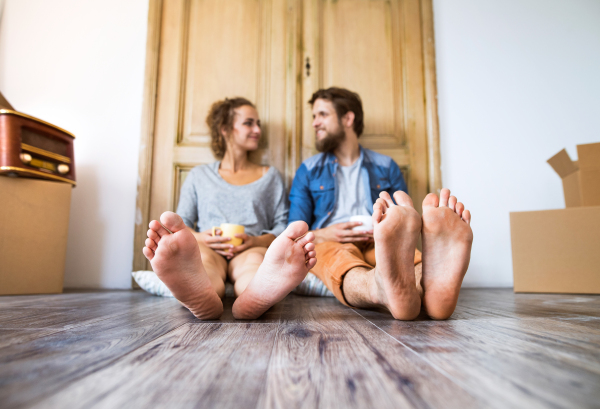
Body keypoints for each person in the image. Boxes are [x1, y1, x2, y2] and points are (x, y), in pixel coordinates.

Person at [289, 87, 473, 320]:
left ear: (348, 118)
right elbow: (293, 233)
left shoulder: (386, 166)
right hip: (330, 241)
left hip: (380, 240)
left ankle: (430, 285)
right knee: (339, 259)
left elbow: (404, 220)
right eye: (314, 116)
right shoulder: (308, 170)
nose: (315, 123)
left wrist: (385, 229)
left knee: (407, 257)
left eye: (322, 115)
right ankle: (380, 288)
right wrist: (325, 233)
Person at [143, 97, 317, 320]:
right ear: (225, 129)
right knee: (205, 266)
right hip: (206, 247)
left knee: (253, 265)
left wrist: (254, 241)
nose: (257, 129)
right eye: (249, 123)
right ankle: (198, 294)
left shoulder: (270, 176)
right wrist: (202, 238)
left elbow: (281, 226)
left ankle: (256, 295)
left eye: (259, 124)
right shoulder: (199, 176)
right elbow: (180, 223)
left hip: (251, 246)